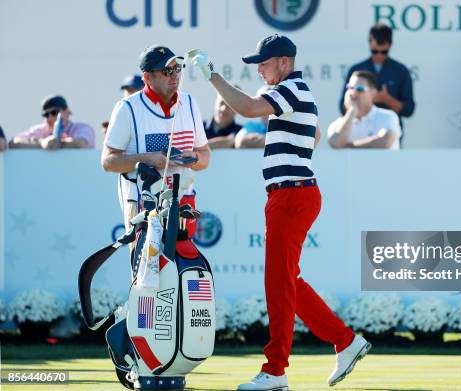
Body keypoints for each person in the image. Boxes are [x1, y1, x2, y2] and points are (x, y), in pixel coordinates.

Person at [189, 34, 371, 391]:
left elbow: (247, 108)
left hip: (291, 196)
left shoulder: (291, 88)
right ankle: (345, 340)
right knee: (287, 281)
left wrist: (211, 74)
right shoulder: (295, 92)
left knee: (278, 283)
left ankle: (275, 371)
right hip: (291, 195)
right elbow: (314, 134)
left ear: (284, 61)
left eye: (264, 62)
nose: (259, 68)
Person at [101, 45, 211, 239]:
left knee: (183, 266)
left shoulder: (190, 102)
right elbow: (108, 161)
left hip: (182, 200)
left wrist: (191, 158)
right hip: (144, 205)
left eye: (177, 68)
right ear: (147, 78)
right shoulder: (127, 107)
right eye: (166, 71)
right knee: (147, 268)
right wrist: (146, 159)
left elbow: (205, 157)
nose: (174, 75)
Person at [341, 23, 415, 145]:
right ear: (369, 44)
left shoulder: (401, 71)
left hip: (388, 139)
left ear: (390, 45)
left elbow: (409, 109)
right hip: (357, 135)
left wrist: (387, 99)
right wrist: (363, 98)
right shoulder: (356, 70)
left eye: (384, 51)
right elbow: (342, 107)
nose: (379, 55)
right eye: (375, 51)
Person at [328, 70, 401, 149]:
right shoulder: (338, 124)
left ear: (373, 93)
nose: (353, 93)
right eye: (350, 88)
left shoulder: (388, 116)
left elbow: (385, 141)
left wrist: (347, 146)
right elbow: (335, 143)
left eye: (360, 89)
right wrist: (352, 111)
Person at [10, 95, 95, 149]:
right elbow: (14, 142)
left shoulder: (81, 128)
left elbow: (80, 143)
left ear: (67, 111)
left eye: (54, 113)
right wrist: (41, 143)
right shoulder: (42, 129)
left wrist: (57, 143)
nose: (50, 117)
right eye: (46, 115)